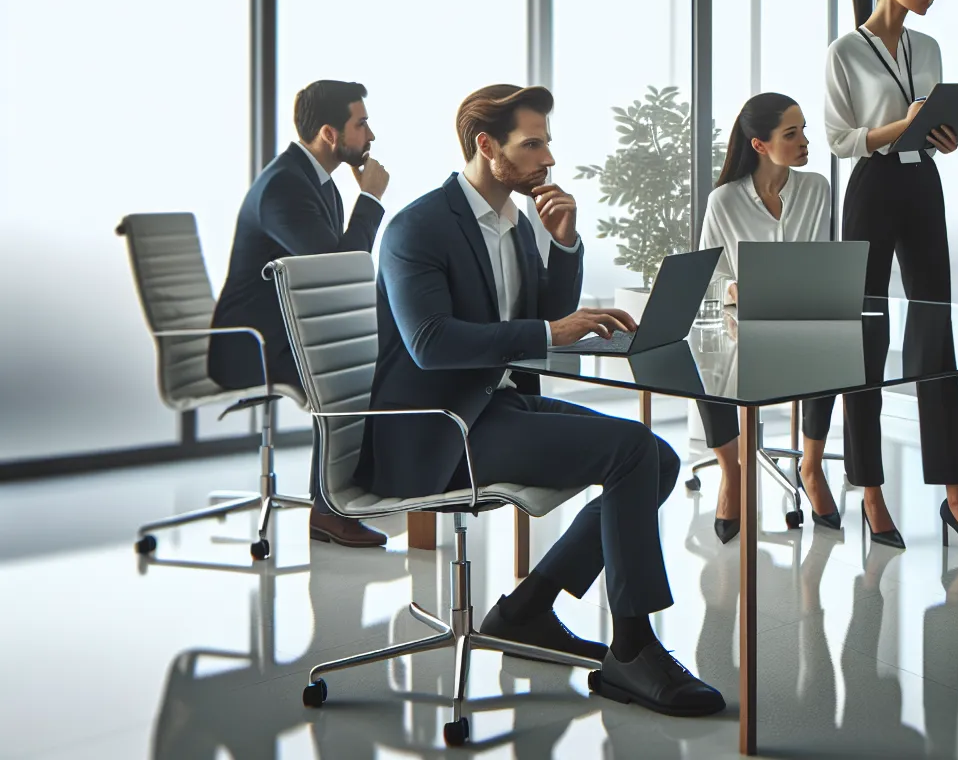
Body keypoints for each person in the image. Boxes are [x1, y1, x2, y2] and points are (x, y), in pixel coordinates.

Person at [366, 83, 722, 716]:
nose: (547, 159)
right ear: (486, 145)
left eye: (547, 142)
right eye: (532, 145)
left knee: (658, 459)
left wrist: (563, 242)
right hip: (440, 428)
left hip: (494, 406)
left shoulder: (515, 223)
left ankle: (526, 609)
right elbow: (429, 344)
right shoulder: (417, 227)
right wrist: (550, 330)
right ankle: (633, 651)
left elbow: (545, 322)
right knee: (634, 452)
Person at [824, 0, 958, 554]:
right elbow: (843, 139)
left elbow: (932, 129)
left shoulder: (929, 46)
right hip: (871, 189)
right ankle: (870, 491)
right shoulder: (846, 51)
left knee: (934, 334)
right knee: (865, 337)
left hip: (924, 183)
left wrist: (941, 134)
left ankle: (954, 494)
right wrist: (903, 126)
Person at [210, 79, 392, 548]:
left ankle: (351, 495)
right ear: (331, 134)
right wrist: (370, 199)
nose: (370, 135)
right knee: (352, 369)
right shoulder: (285, 187)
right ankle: (331, 509)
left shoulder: (316, 183)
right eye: (362, 123)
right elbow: (338, 272)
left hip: (287, 334)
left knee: (377, 353)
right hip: (249, 345)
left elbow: (336, 275)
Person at [694, 92, 838, 543]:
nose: (804, 141)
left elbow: (818, 261)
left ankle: (811, 468)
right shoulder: (724, 201)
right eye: (791, 134)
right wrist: (739, 289)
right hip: (742, 322)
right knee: (703, 362)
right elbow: (709, 277)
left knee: (832, 346)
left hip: (801, 316)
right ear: (760, 145)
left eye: (804, 131)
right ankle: (731, 473)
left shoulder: (816, 189)